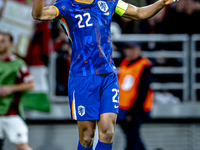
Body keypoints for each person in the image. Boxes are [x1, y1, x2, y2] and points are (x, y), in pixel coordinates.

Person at [31, 0, 178, 149]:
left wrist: (161, 3)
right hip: (82, 78)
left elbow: (139, 13)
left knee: (107, 131)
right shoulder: (65, 5)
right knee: (87, 137)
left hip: (108, 76)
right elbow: (39, 14)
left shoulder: (109, 1)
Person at [0, 32, 34, 150]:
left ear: (11, 44)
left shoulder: (17, 64)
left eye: (3, 41)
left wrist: (11, 88)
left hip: (11, 112)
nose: (0, 44)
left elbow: (30, 84)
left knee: (22, 146)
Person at [117, 42, 153, 150]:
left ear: (139, 50)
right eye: (127, 49)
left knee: (132, 141)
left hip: (134, 110)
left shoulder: (144, 65)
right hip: (122, 108)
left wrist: (132, 112)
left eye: (132, 49)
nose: (129, 52)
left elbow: (143, 90)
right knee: (133, 139)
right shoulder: (124, 63)